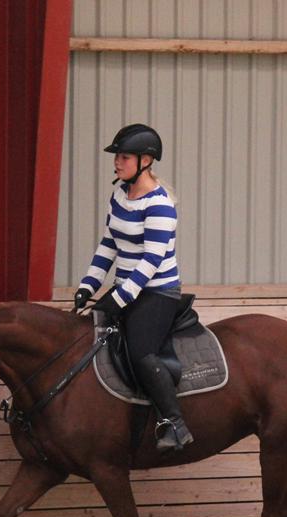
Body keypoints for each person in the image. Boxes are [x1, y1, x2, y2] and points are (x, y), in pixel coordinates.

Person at [73, 123, 194, 453]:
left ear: (145, 160)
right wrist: (89, 285)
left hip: (157, 292)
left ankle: (174, 422)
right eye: (117, 157)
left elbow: (151, 261)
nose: (117, 163)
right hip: (125, 288)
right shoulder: (119, 196)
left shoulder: (159, 205)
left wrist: (119, 297)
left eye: (123, 157)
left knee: (140, 350)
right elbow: (109, 245)